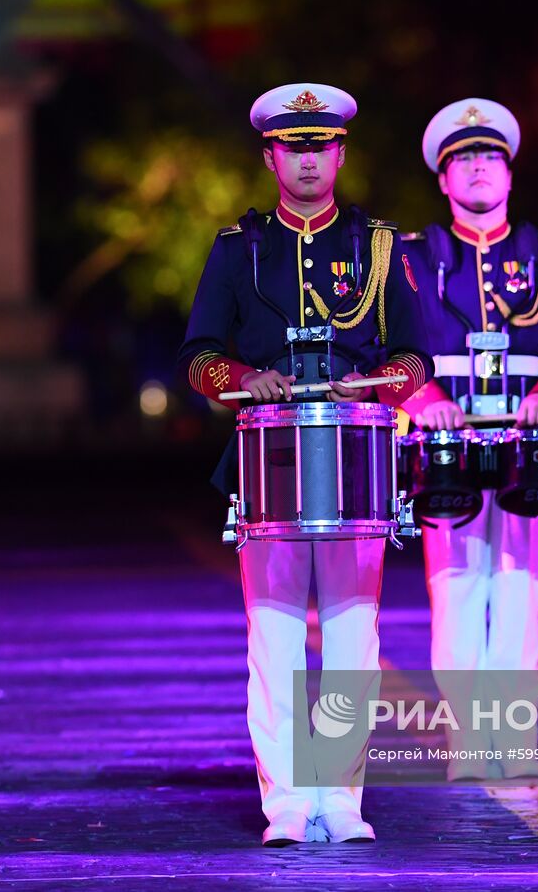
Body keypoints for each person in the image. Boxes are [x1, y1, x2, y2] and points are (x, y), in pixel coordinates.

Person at [178, 83, 430, 845]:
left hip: (356, 455)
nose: (310, 159)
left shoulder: (379, 246)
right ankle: (287, 801)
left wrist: (381, 385)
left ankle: (343, 800)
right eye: (296, 146)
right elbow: (197, 355)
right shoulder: (237, 249)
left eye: (322, 145)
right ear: (271, 157)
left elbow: (415, 354)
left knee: (354, 640)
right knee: (276, 639)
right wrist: (240, 380)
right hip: (268, 460)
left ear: (341, 153)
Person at [399, 98, 538, 779]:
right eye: (464, 159)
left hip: (524, 442)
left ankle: (514, 748)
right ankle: (466, 748)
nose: (479, 168)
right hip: (445, 450)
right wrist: (420, 397)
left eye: (491, 157)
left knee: (517, 591)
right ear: (443, 179)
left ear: (510, 175)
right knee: (455, 593)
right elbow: (385, 347)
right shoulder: (409, 259)